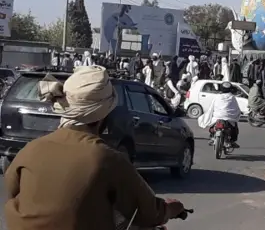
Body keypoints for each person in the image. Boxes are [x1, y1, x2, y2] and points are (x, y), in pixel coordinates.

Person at [4, 66, 185, 230]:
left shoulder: (31, 149)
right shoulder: (106, 158)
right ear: (102, 116)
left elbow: (11, 189)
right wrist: (172, 208)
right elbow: (149, 213)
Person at [197, 81, 241, 148]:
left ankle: (212, 137)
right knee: (234, 127)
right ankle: (232, 141)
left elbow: (211, 108)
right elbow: (236, 109)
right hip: (229, 118)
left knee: (212, 125)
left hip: (217, 117)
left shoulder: (218, 97)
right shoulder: (232, 97)